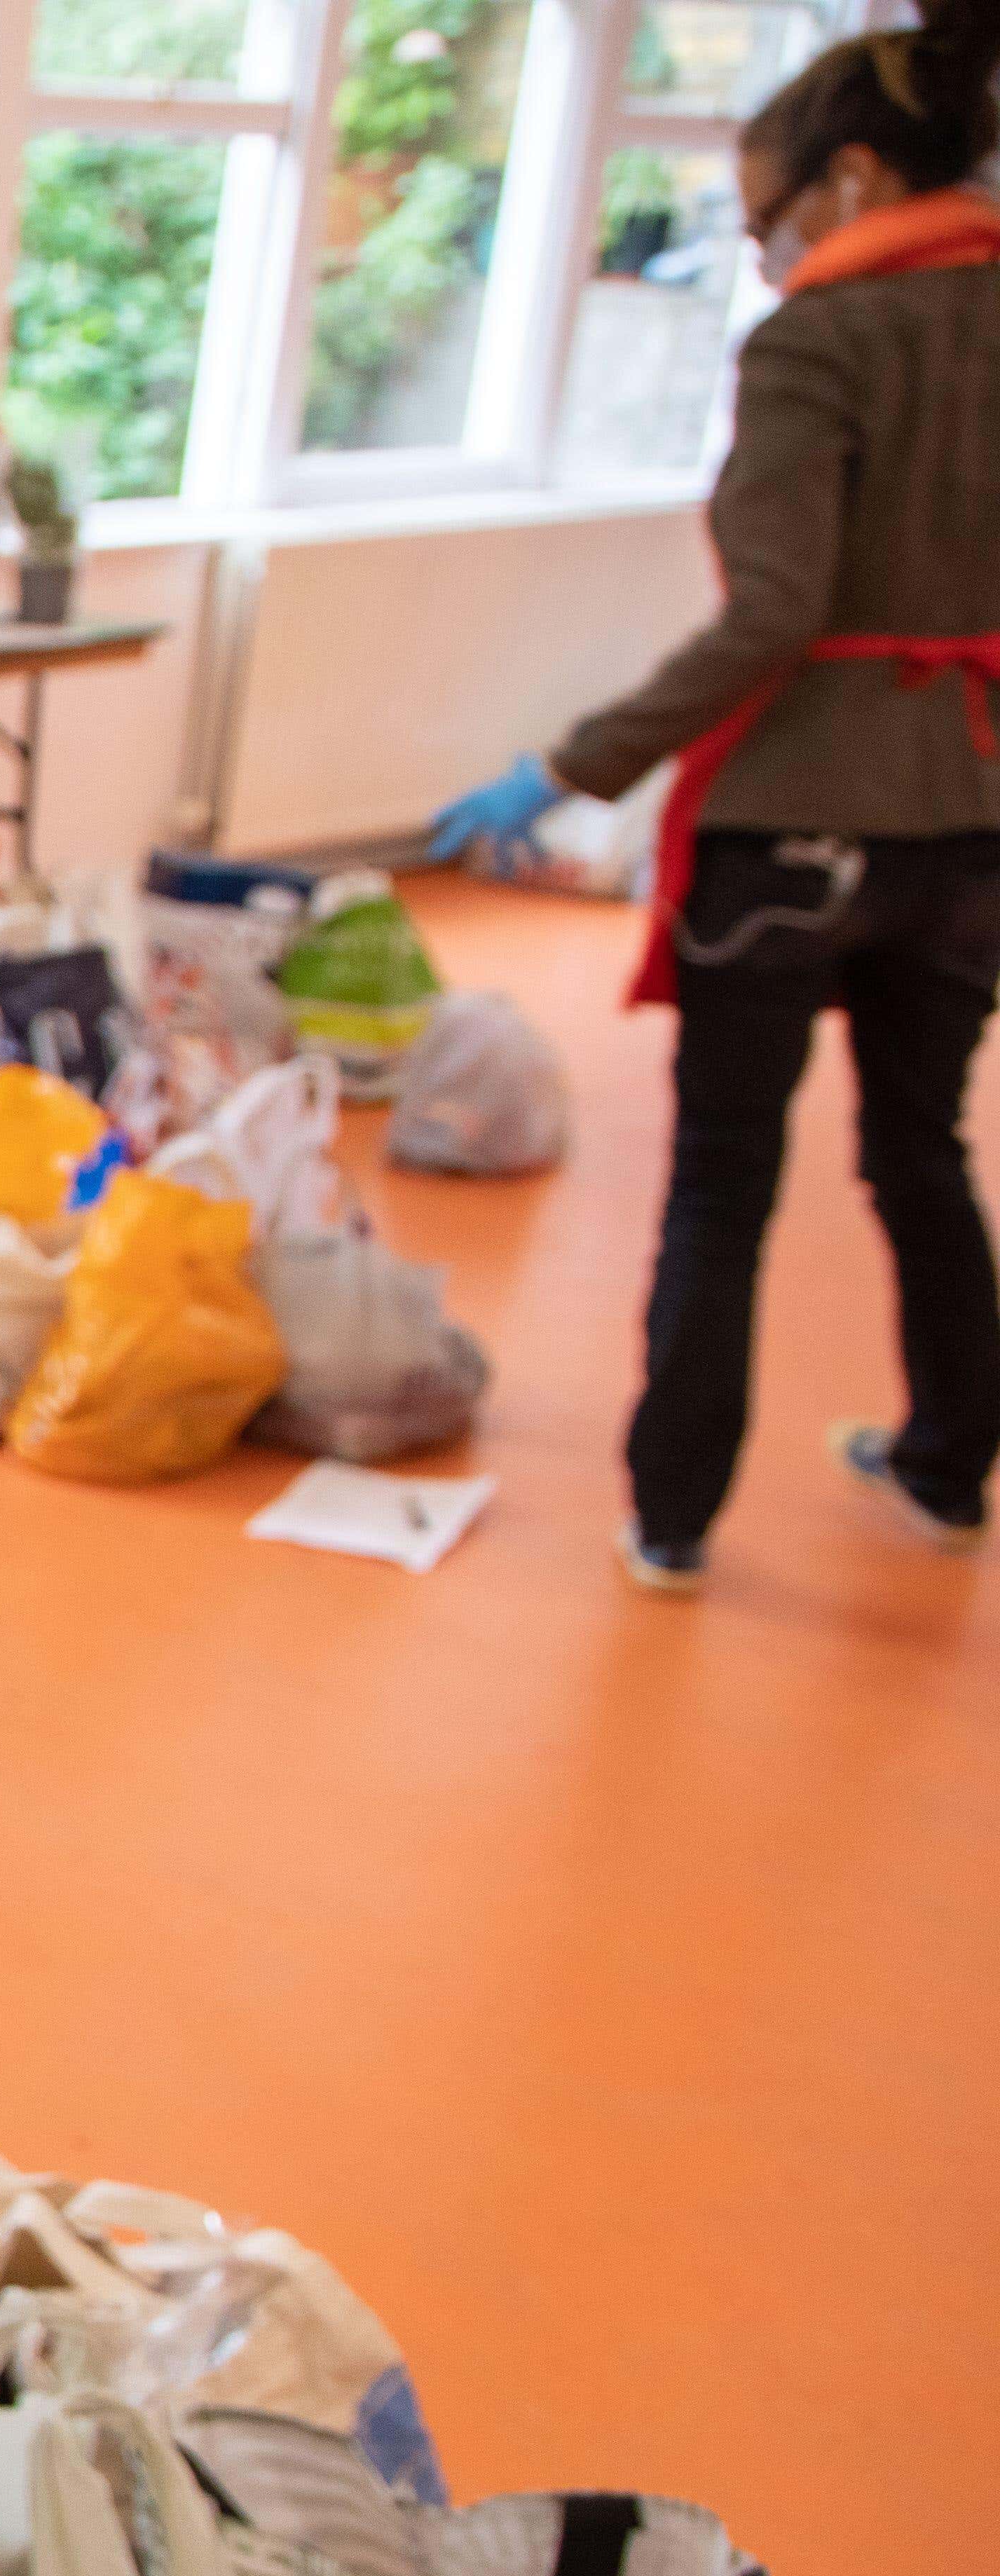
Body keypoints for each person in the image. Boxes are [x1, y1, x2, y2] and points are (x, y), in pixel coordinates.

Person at [431, 0, 1000, 1595]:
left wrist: (565, 766)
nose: (762, 252)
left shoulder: (823, 340)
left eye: (768, 217)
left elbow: (774, 615)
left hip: (801, 822)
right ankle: (951, 1467)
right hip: (971, 817)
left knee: (724, 1175)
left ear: (858, 174)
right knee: (924, 1150)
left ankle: (671, 1514)